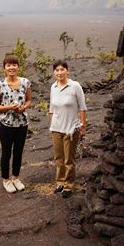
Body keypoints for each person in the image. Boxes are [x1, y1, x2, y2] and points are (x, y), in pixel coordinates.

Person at [0, 55, 32, 193]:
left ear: (18, 67)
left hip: (22, 124)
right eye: (8, 65)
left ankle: (15, 177)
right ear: (4, 68)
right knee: (6, 153)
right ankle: (6, 180)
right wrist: (9, 107)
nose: (12, 67)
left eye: (14, 65)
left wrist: (23, 107)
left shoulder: (26, 82)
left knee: (18, 152)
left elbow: (29, 101)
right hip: (6, 125)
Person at [49, 59, 87, 198]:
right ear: (54, 73)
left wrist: (83, 127)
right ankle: (60, 182)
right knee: (59, 158)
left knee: (69, 159)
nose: (59, 72)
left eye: (62, 69)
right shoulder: (53, 87)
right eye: (57, 70)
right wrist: (52, 125)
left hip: (71, 128)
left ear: (67, 70)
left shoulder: (75, 86)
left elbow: (82, 108)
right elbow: (52, 109)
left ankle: (69, 185)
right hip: (56, 128)